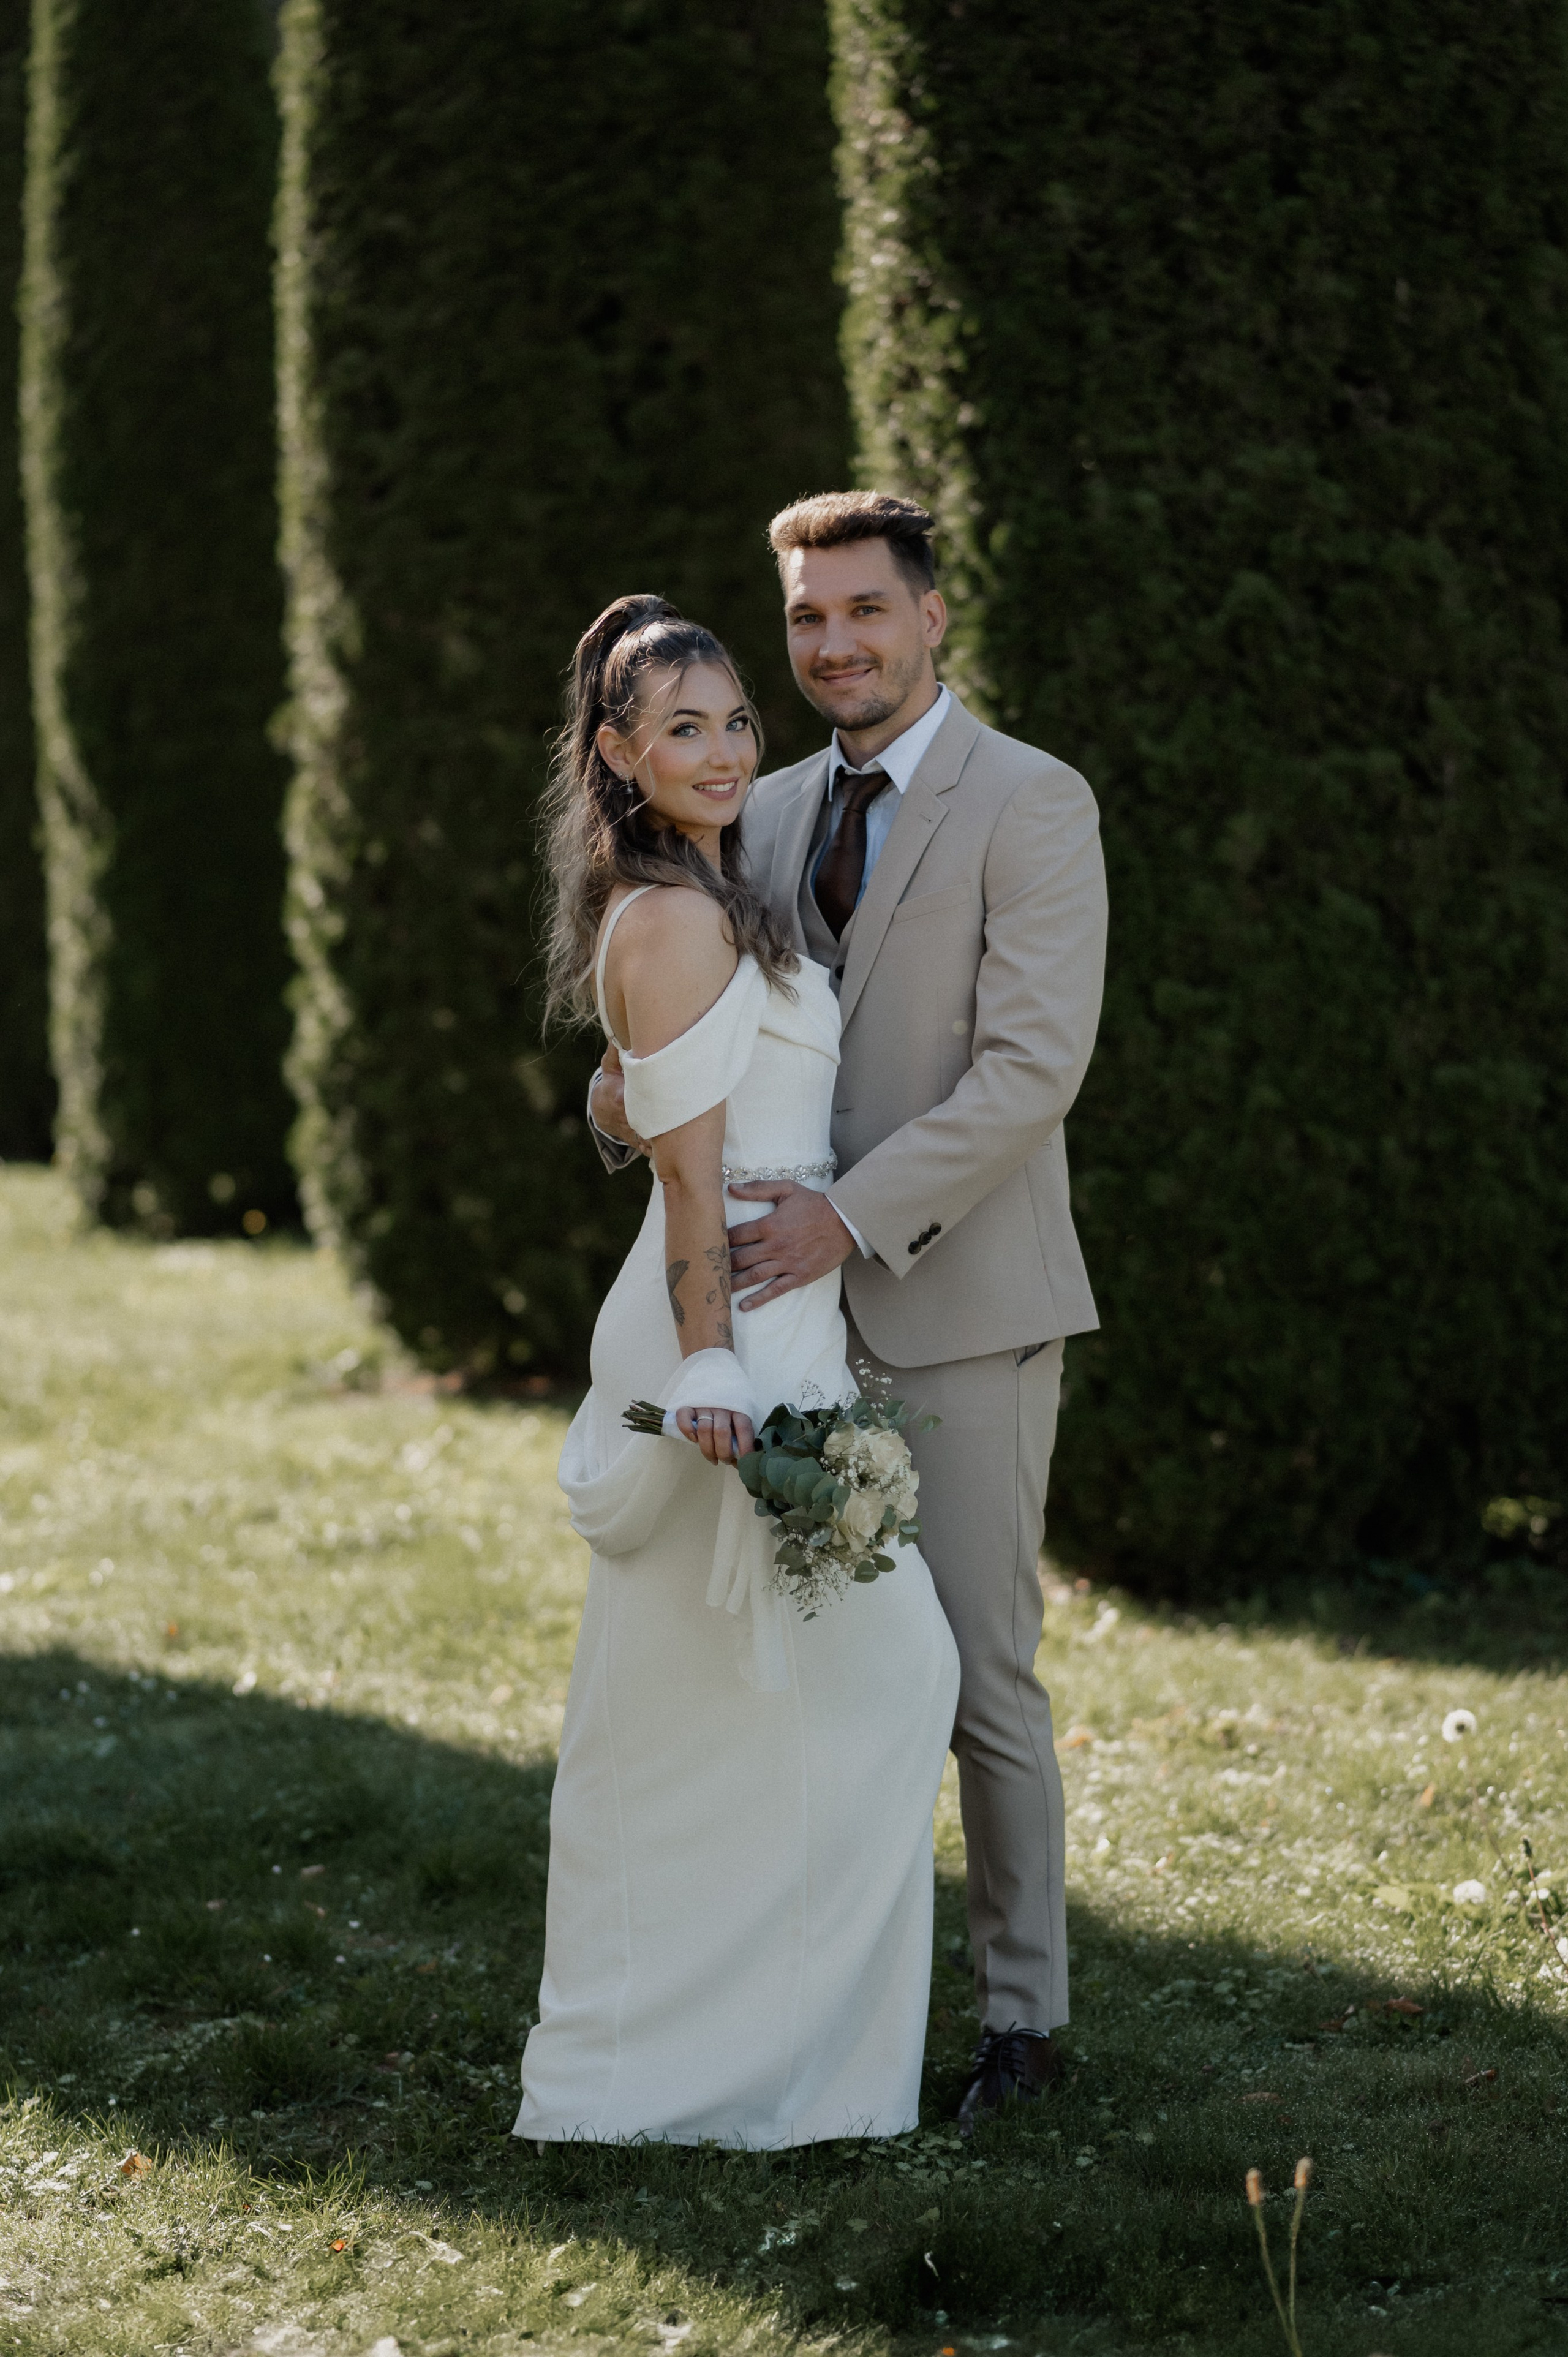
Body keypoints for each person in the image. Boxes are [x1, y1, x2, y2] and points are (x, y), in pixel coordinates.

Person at [590, 495, 1107, 2131]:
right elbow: (688, 1037)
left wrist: (848, 1216)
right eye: (808, 620)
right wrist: (629, 1108)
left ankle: (1021, 2027)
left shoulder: (1035, 803)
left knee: (974, 1680)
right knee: (784, 1674)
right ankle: (805, 2008)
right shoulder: (761, 802)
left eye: (865, 613)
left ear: (935, 615)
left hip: (957, 1300)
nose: (834, 648)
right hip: (781, 1327)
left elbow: (1035, 1065)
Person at [515, 595, 960, 2148]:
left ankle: (769, 2070)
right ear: (620, 756)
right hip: (723, 1335)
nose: (721, 751)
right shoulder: (672, 910)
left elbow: (641, 1108)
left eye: (732, 721)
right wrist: (712, 1366)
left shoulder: (720, 893)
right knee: (850, 1675)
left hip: (778, 1318)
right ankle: (671, 2067)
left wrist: (619, 1109)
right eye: (681, 728)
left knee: (790, 1689)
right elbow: (692, 1186)